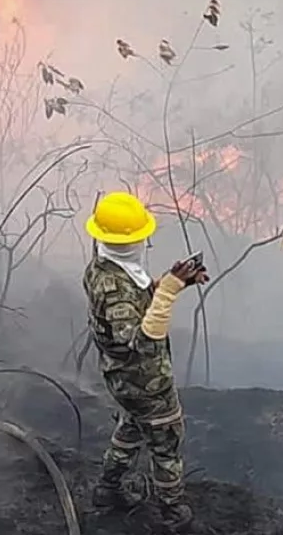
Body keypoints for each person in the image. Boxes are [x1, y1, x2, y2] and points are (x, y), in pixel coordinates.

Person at [82, 191, 208, 531]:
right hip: (144, 380)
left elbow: (133, 301)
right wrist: (167, 292)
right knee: (167, 440)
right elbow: (137, 340)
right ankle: (173, 514)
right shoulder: (115, 288)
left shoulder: (102, 268)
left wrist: (173, 282)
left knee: (133, 426)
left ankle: (107, 490)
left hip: (123, 379)